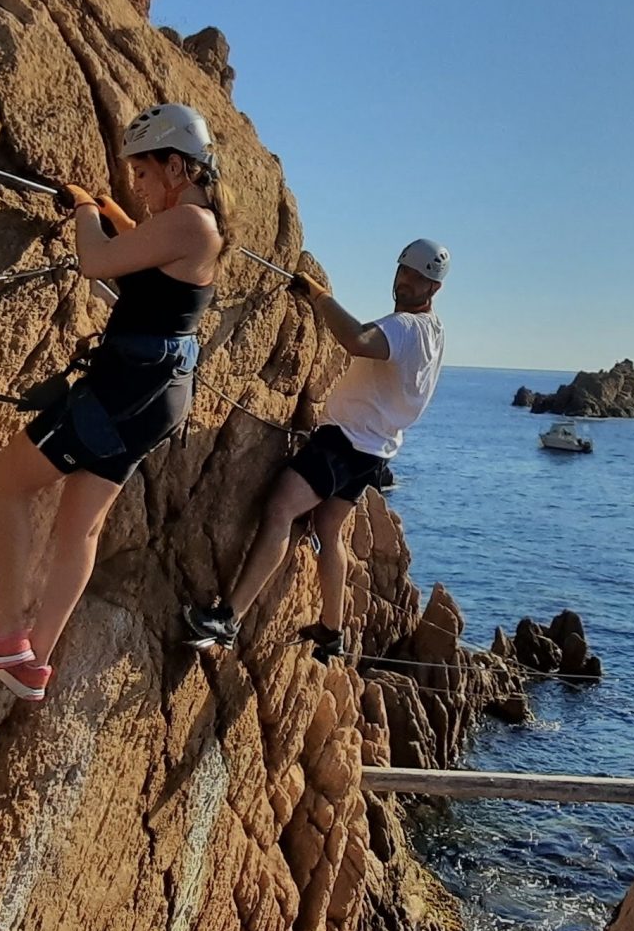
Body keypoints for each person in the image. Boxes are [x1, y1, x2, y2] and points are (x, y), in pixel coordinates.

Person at [0, 104, 227, 702]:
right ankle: (33, 662)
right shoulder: (193, 223)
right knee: (80, 528)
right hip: (154, 396)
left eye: (143, 173)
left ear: (176, 167)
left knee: (6, 483)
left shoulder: (191, 223)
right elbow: (138, 248)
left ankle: (5, 638)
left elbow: (96, 261)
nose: (138, 186)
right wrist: (109, 209)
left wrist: (86, 210)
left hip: (123, 393)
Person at [181, 239, 449, 661]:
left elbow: (358, 340)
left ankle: (229, 618)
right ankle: (332, 629)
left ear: (434, 288)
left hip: (345, 441)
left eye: (418, 278)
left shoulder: (405, 327)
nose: (407, 281)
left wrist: (319, 297)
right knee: (327, 528)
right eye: (405, 271)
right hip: (374, 450)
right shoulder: (434, 331)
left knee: (280, 509)